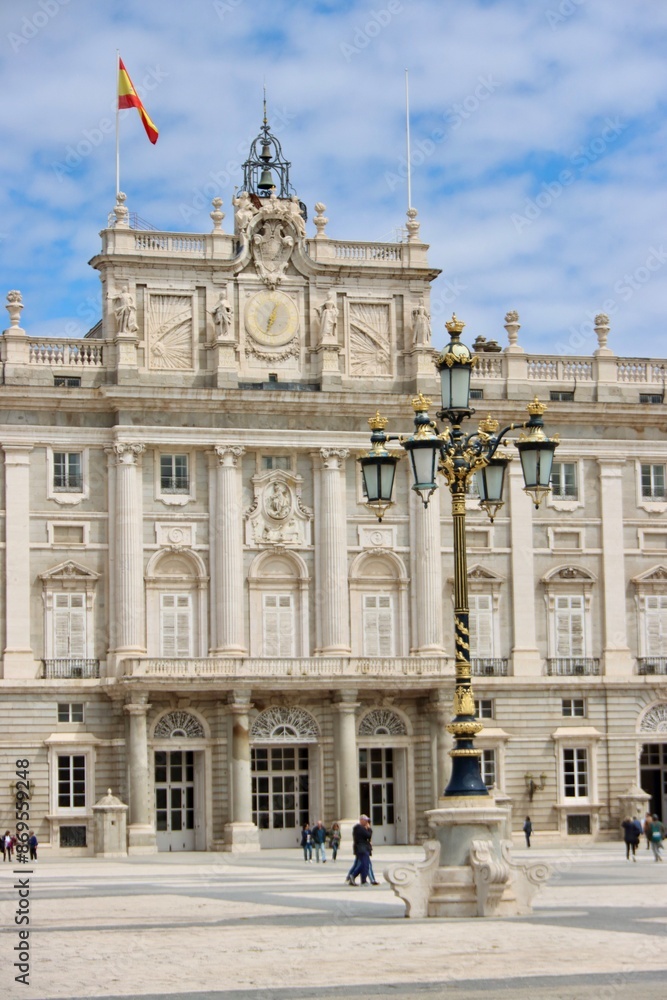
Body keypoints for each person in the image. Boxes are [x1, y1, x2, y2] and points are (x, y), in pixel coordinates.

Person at [346, 814, 373, 885]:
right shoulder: (359, 828)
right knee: (364, 865)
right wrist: (369, 829)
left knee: (363, 864)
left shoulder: (360, 828)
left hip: (362, 848)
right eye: (366, 821)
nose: (367, 823)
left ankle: (356, 877)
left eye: (367, 821)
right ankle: (356, 877)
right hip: (362, 848)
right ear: (361, 820)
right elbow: (368, 835)